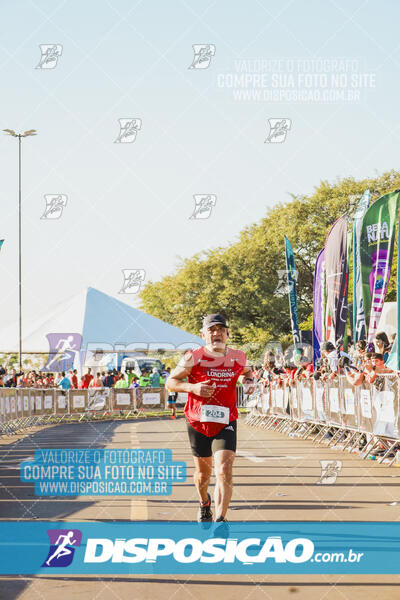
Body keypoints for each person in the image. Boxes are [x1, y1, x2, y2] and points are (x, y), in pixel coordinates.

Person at [167, 313, 253, 524]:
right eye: (211, 330)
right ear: (203, 334)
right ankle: (204, 502)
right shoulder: (193, 357)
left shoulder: (238, 356)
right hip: (198, 421)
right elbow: (171, 381)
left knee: (224, 469)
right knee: (203, 475)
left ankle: (220, 520)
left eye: (220, 330)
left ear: (227, 334)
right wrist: (191, 387)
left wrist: (248, 381)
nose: (216, 334)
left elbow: (247, 372)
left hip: (226, 420)